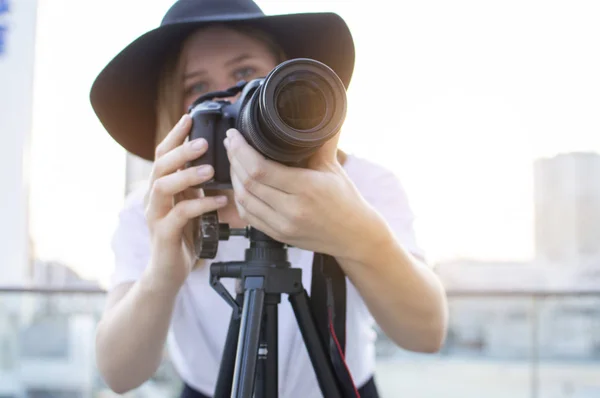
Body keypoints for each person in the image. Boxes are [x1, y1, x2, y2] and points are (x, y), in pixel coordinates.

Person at [89, 0, 449, 397]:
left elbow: (426, 334)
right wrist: (164, 269)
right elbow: (119, 375)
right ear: (174, 110)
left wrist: (354, 233)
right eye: (197, 87)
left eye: (244, 74)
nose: (226, 99)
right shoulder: (156, 207)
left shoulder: (361, 183)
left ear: (285, 83)